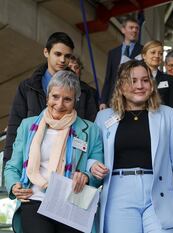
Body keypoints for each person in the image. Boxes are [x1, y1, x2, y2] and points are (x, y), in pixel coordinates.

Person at [89, 60, 173, 233]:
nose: (140, 85)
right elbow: (92, 156)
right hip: (119, 194)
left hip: (159, 193)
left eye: (145, 80)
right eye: (133, 80)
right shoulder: (103, 117)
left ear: (152, 85)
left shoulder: (167, 114)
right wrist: (92, 165)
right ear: (121, 86)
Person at [4, 70, 104, 233]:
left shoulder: (90, 130)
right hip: (34, 200)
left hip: (72, 204)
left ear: (75, 101)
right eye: (55, 97)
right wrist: (14, 185)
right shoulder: (27, 126)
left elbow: (98, 171)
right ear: (47, 96)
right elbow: (12, 167)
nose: (59, 104)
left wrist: (86, 176)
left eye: (67, 99)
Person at [4, 32, 97, 164]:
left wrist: (87, 171)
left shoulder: (84, 91)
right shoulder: (27, 87)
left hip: (69, 164)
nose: (63, 60)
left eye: (67, 56)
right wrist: (9, 171)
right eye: (58, 54)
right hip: (30, 163)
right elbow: (14, 128)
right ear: (46, 52)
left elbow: (90, 134)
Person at [141, 40, 173, 133]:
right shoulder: (133, 76)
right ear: (144, 55)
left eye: (160, 53)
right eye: (153, 52)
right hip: (139, 122)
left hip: (161, 125)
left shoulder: (169, 79)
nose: (157, 56)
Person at [100, 16, 143, 110]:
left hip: (133, 97)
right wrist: (103, 101)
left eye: (137, 28)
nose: (135, 30)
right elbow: (108, 78)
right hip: (114, 97)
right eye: (131, 27)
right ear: (123, 30)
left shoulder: (143, 51)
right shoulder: (113, 53)